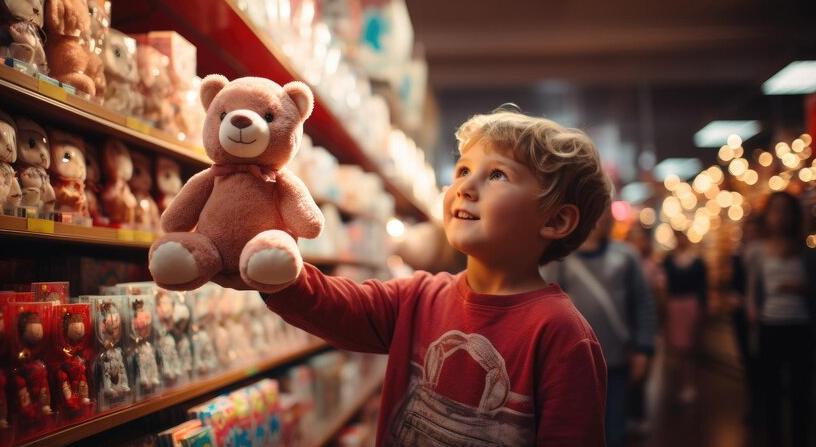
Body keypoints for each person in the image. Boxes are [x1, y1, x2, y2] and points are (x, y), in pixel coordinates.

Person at [261, 106, 612, 446]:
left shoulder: (561, 334)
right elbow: (332, 304)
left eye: (497, 175)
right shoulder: (419, 297)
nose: (464, 187)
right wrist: (274, 269)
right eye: (462, 171)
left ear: (555, 221)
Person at [540, 208, 658, 447]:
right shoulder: (561, 258)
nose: (602, 218)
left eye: (606, 211)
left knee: (614, 433)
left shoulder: (626, 256)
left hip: (616, 358)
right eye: (598, 210)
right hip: (573, 363)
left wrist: (643, 348)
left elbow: (642, 302)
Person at [746, 191, 815, 447]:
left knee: (801, 391)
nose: (780, 216)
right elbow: (753, 287)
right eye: (775, 210)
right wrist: (752, 309)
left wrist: (801, 287)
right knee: (771, 390)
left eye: (785, 210)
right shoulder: (758, 251)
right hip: (770, 324)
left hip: (800, 325)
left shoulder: (805, 250)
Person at [662, 231, 707, 405]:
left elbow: (703, 287)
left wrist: (702, 309)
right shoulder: (669, 261)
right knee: (676, 349)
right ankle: (677, 384)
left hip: (690, 305)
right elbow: (663, 284)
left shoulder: (696, 261)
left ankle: (689, 384)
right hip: (674, 306)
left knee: (690, 348)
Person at [729, 216, 762, 423]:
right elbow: (735, 281)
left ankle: (761, 408)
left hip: (759, 313)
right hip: (741, 312)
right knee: (748, 361)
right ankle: (754, 405)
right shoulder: (739, 254)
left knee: (760, 362)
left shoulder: (763, 254)